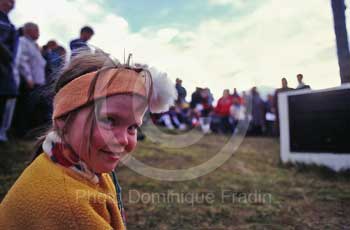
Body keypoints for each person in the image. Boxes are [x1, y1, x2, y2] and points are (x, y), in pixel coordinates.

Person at [0, 50, 177, 229]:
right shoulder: (72, 207)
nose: (123, 140)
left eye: (132, 127)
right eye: (109, 120)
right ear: (63, 119)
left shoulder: (77, 164)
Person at [13, 22, 47, 137]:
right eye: (36, 30)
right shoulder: (23, 42)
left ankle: (28, 132)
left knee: (32, 109)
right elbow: (22, 61)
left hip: (38, 83)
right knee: (24, 108)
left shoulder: (34, 45)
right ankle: (20, 133)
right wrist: (28, 78)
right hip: (29, 82)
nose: (39, 33)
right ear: (28, 30)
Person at [0, 0, 18, 142]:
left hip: (4, 69)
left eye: (13, 2)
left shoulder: (11, 27)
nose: (11, 4)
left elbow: (13, 54)